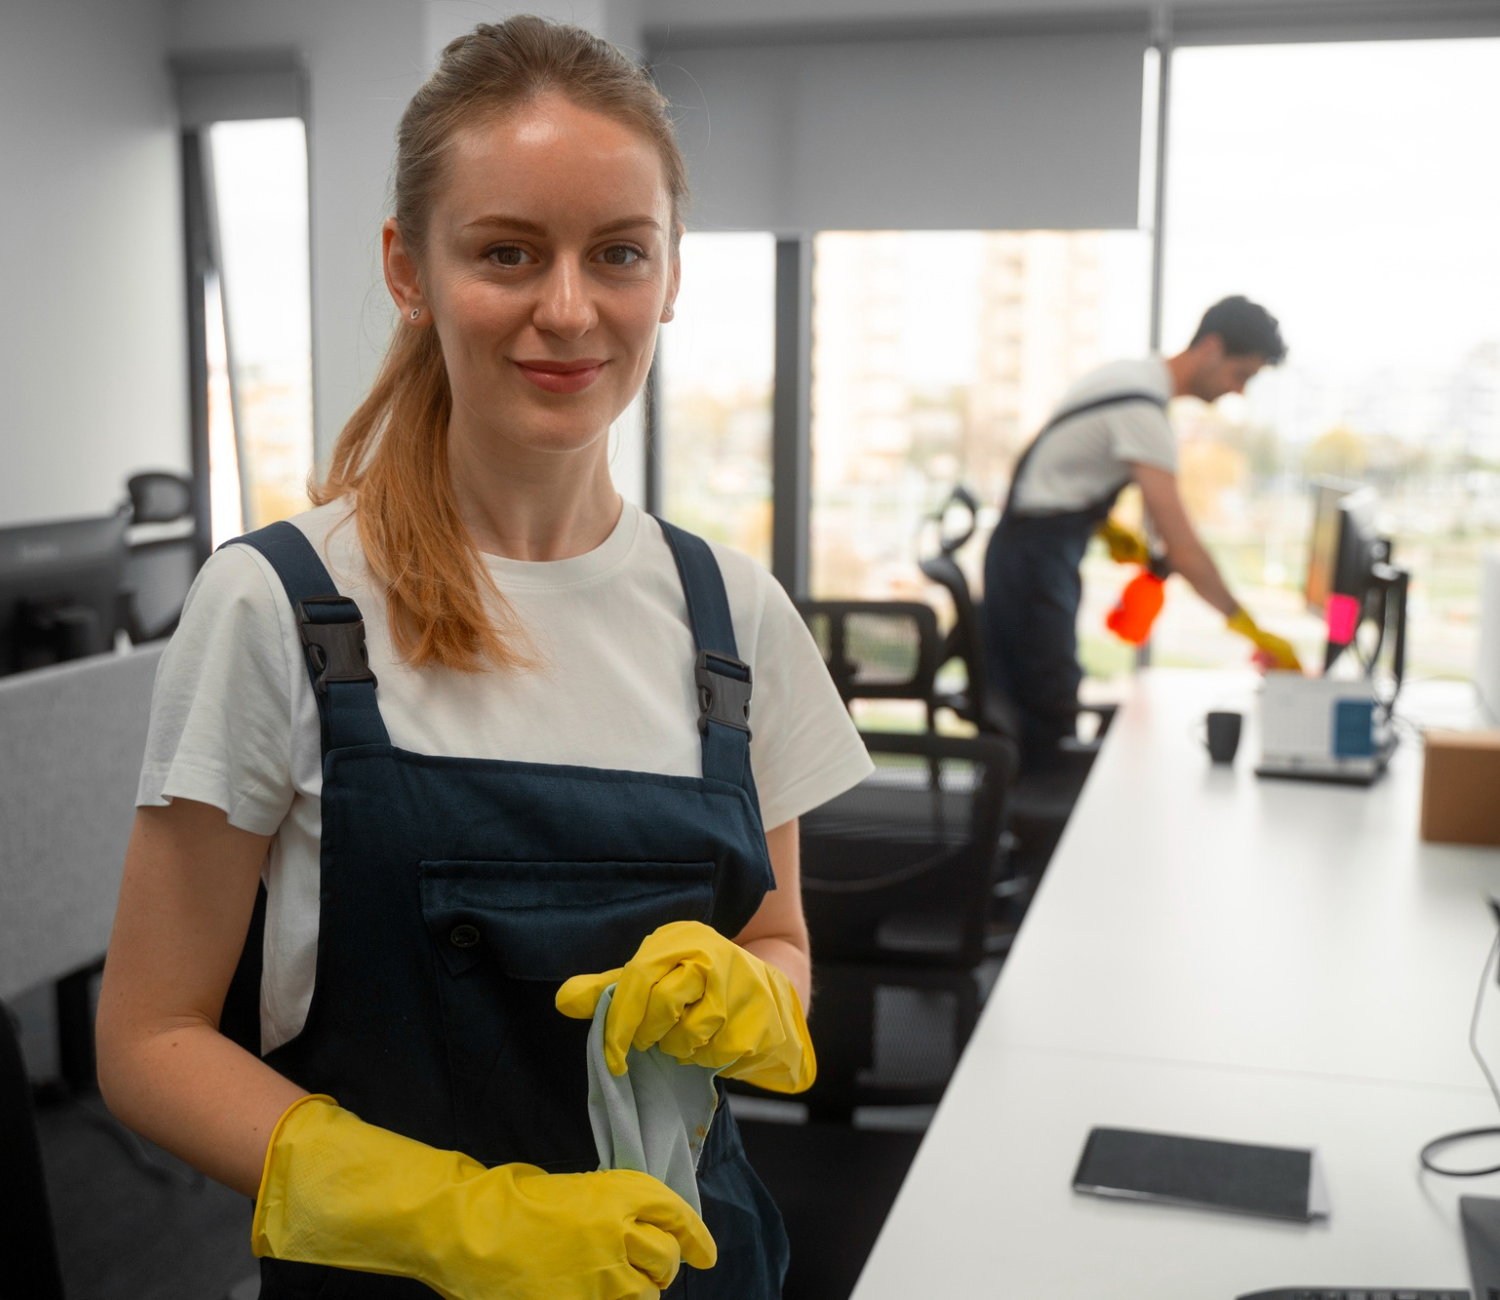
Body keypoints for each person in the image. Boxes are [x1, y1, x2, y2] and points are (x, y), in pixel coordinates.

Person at [94, 18, 872, 1300]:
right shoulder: (279, 606)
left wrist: (754, 993)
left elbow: (783, 941)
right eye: (507, 252)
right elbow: (149, 1039)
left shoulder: (734, 616)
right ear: (410, 266)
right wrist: (452, 1216)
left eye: (618, 253)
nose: (567, 310)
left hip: (689, 1271)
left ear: (671, 274)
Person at [982, 295, 1301, 771]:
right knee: (1045, 714)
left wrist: (1108, 532)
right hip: (1033, 564)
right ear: (1210, 348)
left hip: (1027, 552)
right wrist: (1250, 628)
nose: (1239, 391)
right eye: (1242, 375)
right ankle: (1035, 837)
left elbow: (1057, 472)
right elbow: (1184, 546)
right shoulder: (1142, 411)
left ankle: (1022, 826)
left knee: (1036, 704)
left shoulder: (1127, 378)